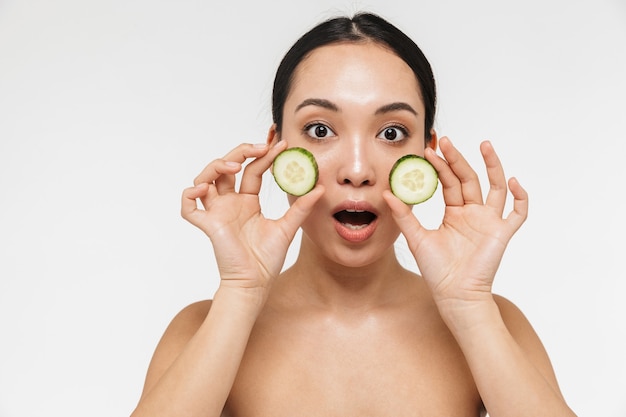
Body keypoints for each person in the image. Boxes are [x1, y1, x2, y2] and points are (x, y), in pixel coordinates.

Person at [130, 12, 576, 417]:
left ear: (427, 154)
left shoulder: (494, 322)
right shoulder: (201, 329)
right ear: (275, 148)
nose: (358, 170)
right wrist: (240, 294)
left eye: (392, 132)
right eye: (320, 130)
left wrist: (470, 307)